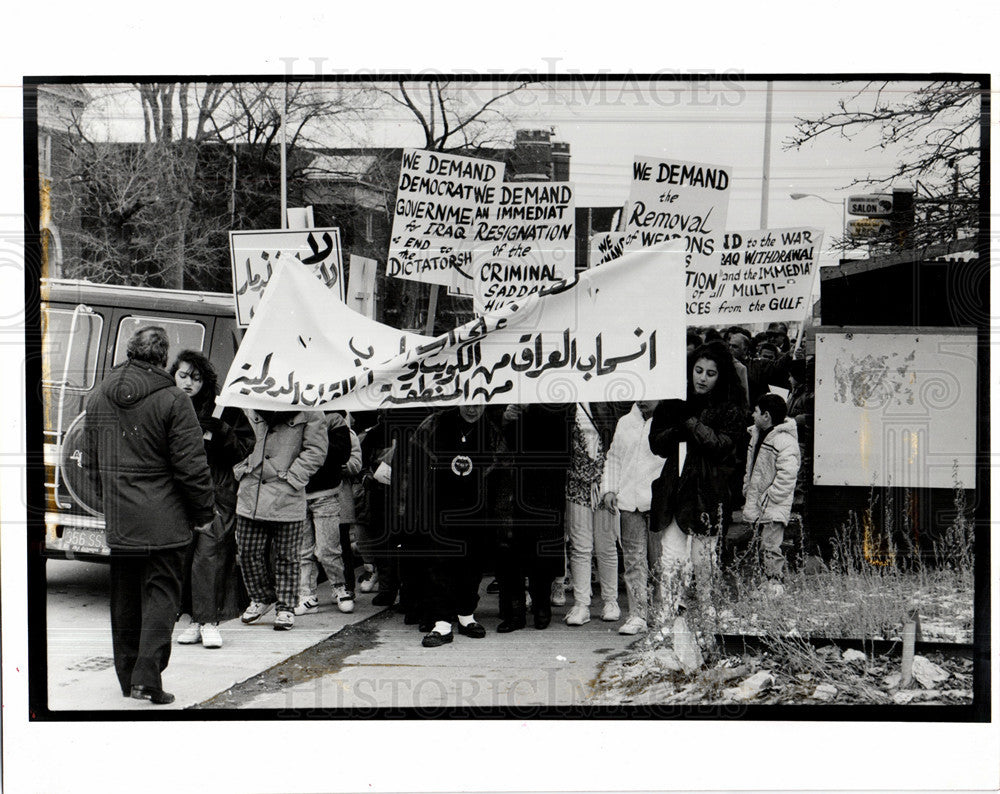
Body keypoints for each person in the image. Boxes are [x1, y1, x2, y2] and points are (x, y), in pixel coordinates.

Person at [82, 327, 214, 704]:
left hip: (121, 520)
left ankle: (127, 680)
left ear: (129, 352)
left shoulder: (99, 395)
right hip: (165, 521)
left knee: (124, 598)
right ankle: (147, 679)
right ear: (162, 358)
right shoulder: (174, 400)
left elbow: (89, 462)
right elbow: (192, 466)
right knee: (161, 596)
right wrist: (203, 511)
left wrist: (110, 502)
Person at [649, 341, 746, 614]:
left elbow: (721, 446)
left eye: (710, 373)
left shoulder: (729, 407)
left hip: (709, 489)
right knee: (671, 556)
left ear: (721, 376)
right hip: (675, 484)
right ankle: (668, 613)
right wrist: (678, 429)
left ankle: (707, 612)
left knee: (703, 558)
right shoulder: (673, 400)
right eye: (698, 370)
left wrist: (690, 423)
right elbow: (656, 443)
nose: (701, 378)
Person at [404, 405, 509, 647]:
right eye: (468, 402)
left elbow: (502, 472)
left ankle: (466, 615)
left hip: (477, 511)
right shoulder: (434, 424)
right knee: (439, 563)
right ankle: (441, 623)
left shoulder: (491, 431)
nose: (473, 409)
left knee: (471, 563)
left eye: (479, 403)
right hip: (439, 508)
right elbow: (413, 466)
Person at [170, 350, 255, 650]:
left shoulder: (223, 409)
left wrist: (222, 432)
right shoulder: (167, 403)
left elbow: (245, 446)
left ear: (206, 380)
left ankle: (208, 622)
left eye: (196, 377)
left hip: (215, 490)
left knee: (211, 556)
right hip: (178, 493)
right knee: (185, 557)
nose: (188, 383)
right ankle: (194, 619)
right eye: (183, 376)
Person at [233, 409, 327, 631]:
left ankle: (285, 607)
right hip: (251, 491)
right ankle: (260, 597)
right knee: (246, 551)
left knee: (288, 555)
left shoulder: (311, 410)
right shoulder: (249, 403)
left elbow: (316, 450)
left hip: (287, 492)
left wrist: (294, 477)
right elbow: (237, 438)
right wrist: (241, 467)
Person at [497, 403, 574, 632]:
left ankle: (541, 607)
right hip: (513, 489)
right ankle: (515, 612)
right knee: (511, 553)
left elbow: (564, 449)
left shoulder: (556, 407)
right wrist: (507, 419)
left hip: (545, 490)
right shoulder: (508, 398)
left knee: (541, 553)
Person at [600, 400, 666, 635]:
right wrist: (609, 488)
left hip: (660, 502)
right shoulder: (625, 422)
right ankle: (638, 614)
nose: (645, 399)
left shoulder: (667, 420)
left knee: (660, 561)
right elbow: (614, 457)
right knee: (633, 561)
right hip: (630, 502)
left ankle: (661, 612)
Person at [564, 402, 622, 626]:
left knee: (606, 545)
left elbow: (615, 447)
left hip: (605, 483)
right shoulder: (566, 405)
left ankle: (610, 600)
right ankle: (581, 603)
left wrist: (607, 482)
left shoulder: (607, 402)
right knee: (580, 546)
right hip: (576, 483)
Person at [294, 412, 355, 616]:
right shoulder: (293, 415)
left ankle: (339, 587)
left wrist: (314, 437)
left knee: (328, 547)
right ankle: (307, 595)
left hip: (326, 491)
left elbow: (342, 454)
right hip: (298, 490)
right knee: (303, 550)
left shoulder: (334, 419)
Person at [742, 393, 800, 589]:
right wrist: (747, 488)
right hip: (760, 503)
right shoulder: (757, 435)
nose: (752, 415)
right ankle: (766, 583)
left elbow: (788, 474)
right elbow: (752, 468)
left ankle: (775, 584)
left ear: (766, 415)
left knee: (770, 545)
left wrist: (770, 496)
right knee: (761, 543)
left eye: (756, 411)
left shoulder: (784, 441)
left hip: (773, 505)